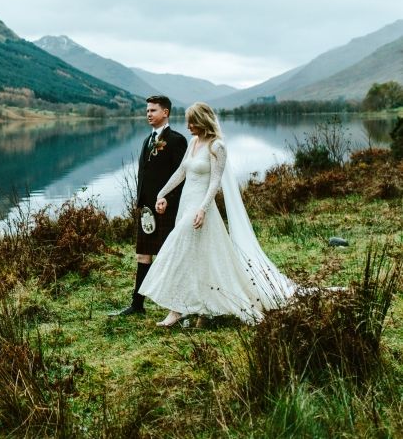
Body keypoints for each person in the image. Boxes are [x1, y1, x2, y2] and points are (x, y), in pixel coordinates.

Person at [139, 102, 296, 327]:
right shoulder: (193, 142)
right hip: (186, 204)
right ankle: (192, 309)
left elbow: (215, 182)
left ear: (203, 121)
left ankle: (180, 310)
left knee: (178, 249)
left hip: (201, 207)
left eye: (192, 121)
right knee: (198, 258)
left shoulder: (217, 147)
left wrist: (203, 209)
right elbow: (182, 171)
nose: (188, 126)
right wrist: (161, 194)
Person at [110, 95, 188, 316]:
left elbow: (182, 176)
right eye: (147, 111)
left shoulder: (176, 140)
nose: (148, 114)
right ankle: (137, 305)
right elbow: (143, 175)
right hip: (147, 210)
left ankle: (177, 307)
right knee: (143, 255)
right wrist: (140, 203)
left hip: (166, 209)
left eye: (153, 110)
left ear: (166, 112)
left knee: (169, 256)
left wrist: (168, 201)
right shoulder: (147, 140)